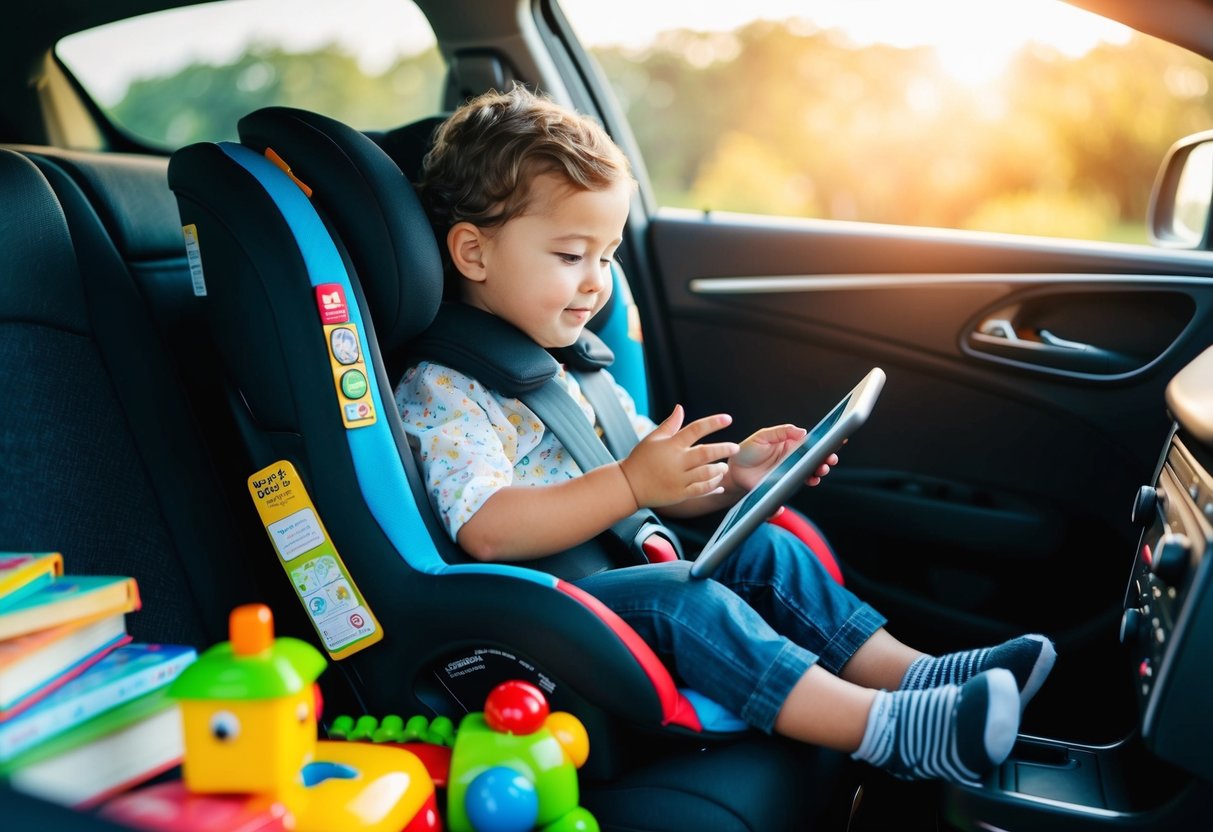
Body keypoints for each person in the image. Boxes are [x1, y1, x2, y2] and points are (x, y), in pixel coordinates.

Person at [395, 84, 1055, 785]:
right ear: (472, 253)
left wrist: (734, 477)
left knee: (766, 547)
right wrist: (627, 484)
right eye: (569, 256)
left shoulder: (570, 368)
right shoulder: (445, 389)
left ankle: (917, 676)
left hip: (617, 571)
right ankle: (889, 731)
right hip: (543, 616)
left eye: (607, 256)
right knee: (686, 597)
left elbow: (660, 490)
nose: (596, 284)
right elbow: (487, 530)